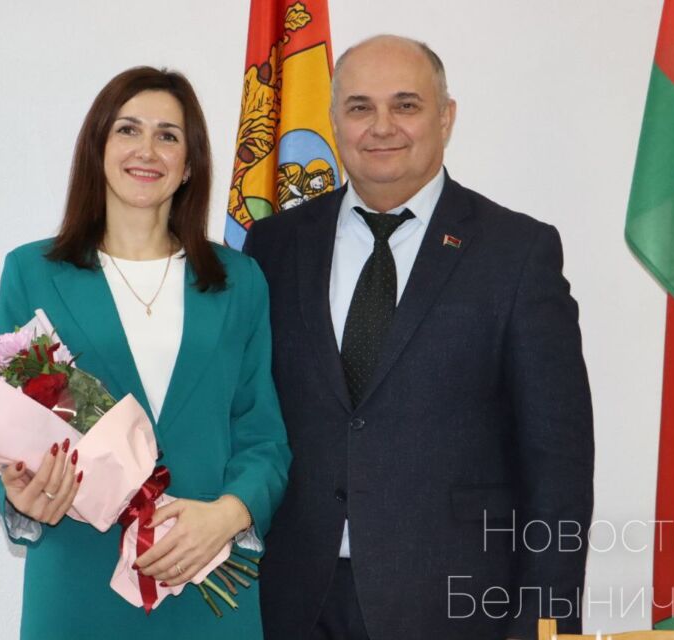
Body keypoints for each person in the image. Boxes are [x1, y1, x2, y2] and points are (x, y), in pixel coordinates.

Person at [244, 35, 594, 640]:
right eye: (360, 107)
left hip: (457, 609)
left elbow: (558, 470)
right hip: (292, 603)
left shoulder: (517, 253)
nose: (381, 126)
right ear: (334, 120)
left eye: (405, 105)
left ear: (446, 117)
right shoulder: (275, 246)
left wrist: (546, 623)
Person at [0, 66, 291, 639]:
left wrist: (228, 514)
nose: (147, 150)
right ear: (98, 148)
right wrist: (23, 495)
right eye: (128, 130)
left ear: (189, 164)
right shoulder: (32, 272)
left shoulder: (240, 281)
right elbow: (13, 424)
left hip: (207, 573)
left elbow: (262, 433)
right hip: (79, 578)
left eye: (168, 135)